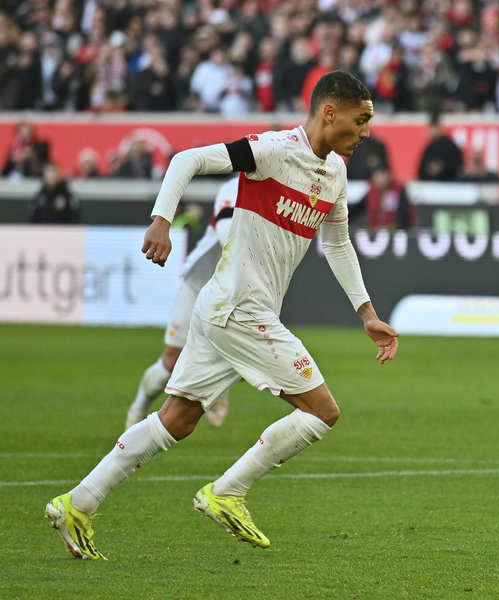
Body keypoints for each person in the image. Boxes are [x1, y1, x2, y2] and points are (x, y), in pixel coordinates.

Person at [45, 71, 400, 560]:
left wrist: (367, 312)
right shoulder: (272, 150)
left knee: (179, 418)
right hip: (239, 309)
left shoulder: (335, 174)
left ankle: (78, 503)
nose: (366, 132)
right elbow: (186, 159)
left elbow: (337, 244)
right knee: (322, 411)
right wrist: (162, 220)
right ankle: (228, 492)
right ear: (329, 112)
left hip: (227, 308)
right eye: (361, 121)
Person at [124, 177, 239, 431]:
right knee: (170, 363)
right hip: (200, 282)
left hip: (238, 289)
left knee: (253, 355)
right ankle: (138, 407)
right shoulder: (235, 188)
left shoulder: (283, 192)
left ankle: (218, 381)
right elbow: (230, 240)